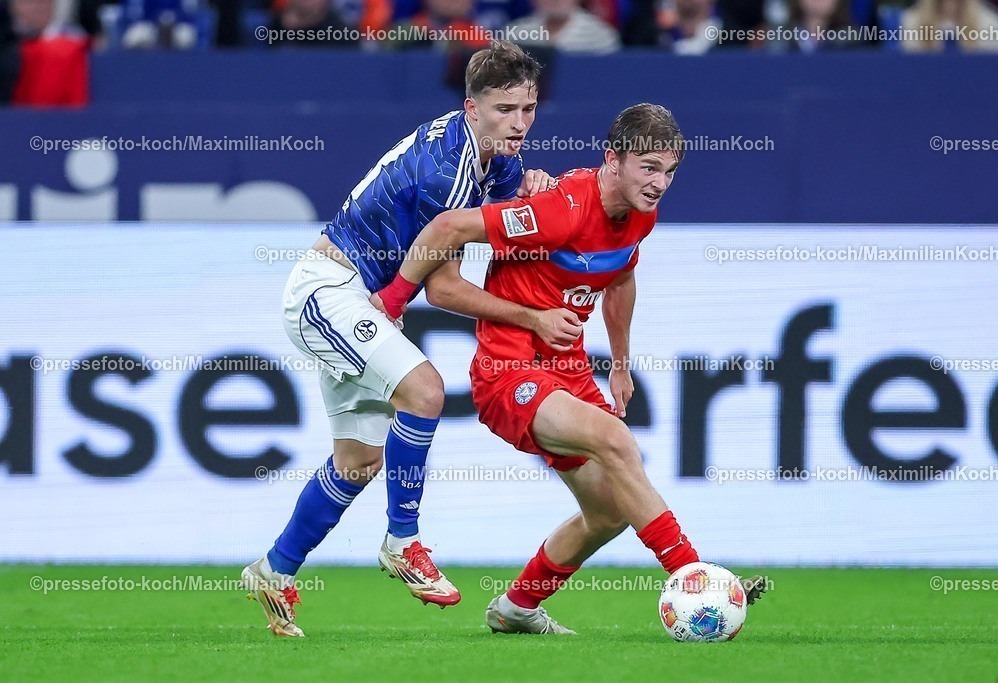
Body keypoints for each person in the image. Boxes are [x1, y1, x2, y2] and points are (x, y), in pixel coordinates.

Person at [374, 103, 768, 634]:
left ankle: (515, 608)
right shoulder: (559, 210)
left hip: (570, 372)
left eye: (670, 171)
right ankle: (693, 575)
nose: (660, 183)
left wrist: (621, 364)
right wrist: (395, 297)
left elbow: (620, 276)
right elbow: (448, 226)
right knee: (617, 441)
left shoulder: (641, 215)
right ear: (613, 160)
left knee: (609, 512)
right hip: (508, 373)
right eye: (649, 168)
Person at [242, 40, 584, 637]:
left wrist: (531, 194)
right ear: (472, 107)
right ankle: (403, 540)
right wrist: (532, 319)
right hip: (330, 290)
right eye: (505, 109)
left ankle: (273, 571)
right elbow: (444, 288)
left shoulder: (494, 161)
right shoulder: (446, 172)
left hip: (359, 300)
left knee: (357, 463)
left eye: (528, 109)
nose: (519, 123)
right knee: (425, 391)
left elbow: (506, 228)